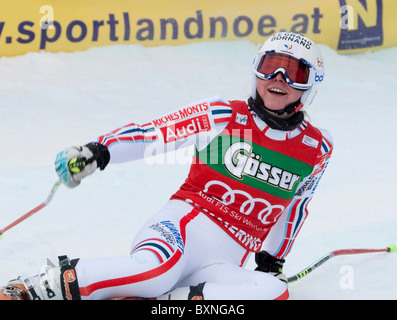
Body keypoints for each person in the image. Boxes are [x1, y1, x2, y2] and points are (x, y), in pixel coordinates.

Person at [0, 32, 333, 300]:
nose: (278, 77)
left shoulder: (317, 148)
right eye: (270, 66)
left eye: (294, 72)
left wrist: (272, 259)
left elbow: (296, 207)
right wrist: (99, 151)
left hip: (224, 260)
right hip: (183, 227)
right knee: (156, 270)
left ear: (311, 84)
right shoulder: (225, 115)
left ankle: (165, 301)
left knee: (274, 291)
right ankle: (36, 288)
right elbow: (151, 134)